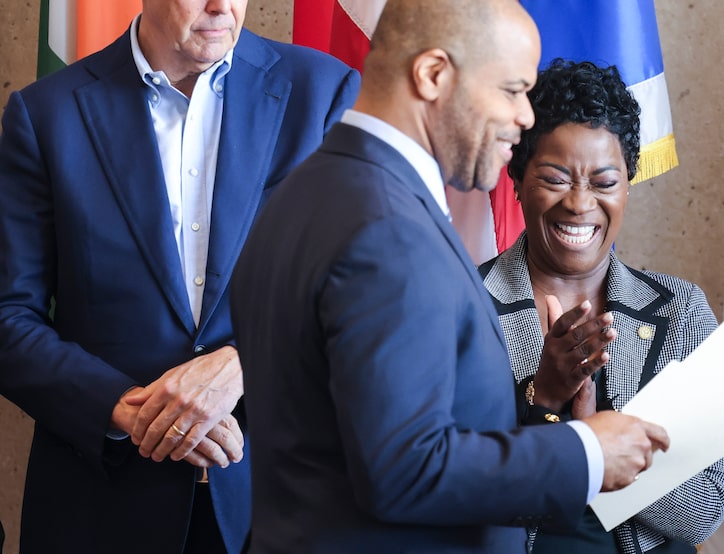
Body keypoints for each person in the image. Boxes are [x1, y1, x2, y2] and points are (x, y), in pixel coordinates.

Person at [230, 1, 671, 552]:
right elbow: (405, 469)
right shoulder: (387, 228)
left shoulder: (311, 191)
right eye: (512, 91)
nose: (527, 117)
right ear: (433, 74)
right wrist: (585, 452)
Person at [0, 0, 359, 552]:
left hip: (283, 502)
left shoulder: (325, 92)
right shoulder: (45, 113)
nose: (222, 6)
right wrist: (127, 410)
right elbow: (8, 318)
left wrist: (245, 363)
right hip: (100, 505)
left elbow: (366, 294)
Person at [478, 59, 724, 553]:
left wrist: (596, 439)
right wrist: (545, 404)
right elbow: (448, 489)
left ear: (626, 186)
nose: (579, 203)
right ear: (517, 177)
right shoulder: (463, 304)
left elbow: (705, 507)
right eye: (555, 177)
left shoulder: (681, 312)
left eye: (603, 181)